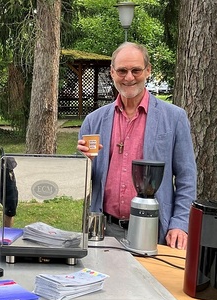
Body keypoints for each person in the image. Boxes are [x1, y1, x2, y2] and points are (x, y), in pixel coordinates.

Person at [77, 42, 196, 249]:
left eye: (136, 70)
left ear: (148, 71)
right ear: (112, 73)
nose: (129, 77)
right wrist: (82, 165)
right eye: (122, 71)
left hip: (154, 229)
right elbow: (79, 184)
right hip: (104, 230)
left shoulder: (174, 118)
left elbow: (187, 177)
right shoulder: (93, 121)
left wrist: (180, 224)